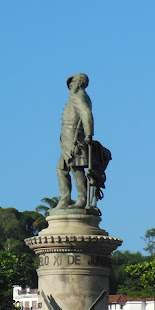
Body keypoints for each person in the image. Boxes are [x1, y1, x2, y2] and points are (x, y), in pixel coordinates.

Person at [56, 73, 93, 209]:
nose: (70, 85)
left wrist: (88, 134)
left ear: (80, 82)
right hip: (67, 138)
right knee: (61, 168)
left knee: (76, 168)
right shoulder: (74, 97)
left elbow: (86, 113)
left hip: (74, 138)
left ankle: (82, 199)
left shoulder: (79, 96)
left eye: (72, 82)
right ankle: (64, 200)